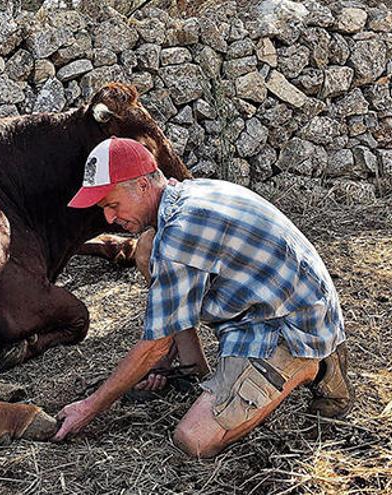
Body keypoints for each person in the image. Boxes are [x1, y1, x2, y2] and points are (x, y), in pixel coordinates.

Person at [53, 137, 353, 457]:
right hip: (267, 304)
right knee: (146, 247)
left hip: (291, 324)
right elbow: (166, 312)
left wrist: (90, 406)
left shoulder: (180, 233)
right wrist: (163, 362)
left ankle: (314, 365)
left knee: (194, 439)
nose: (110, 219)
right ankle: (192, 364)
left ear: (142, 185)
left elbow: (154, 344)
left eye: (112, 205)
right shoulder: (183, 194)